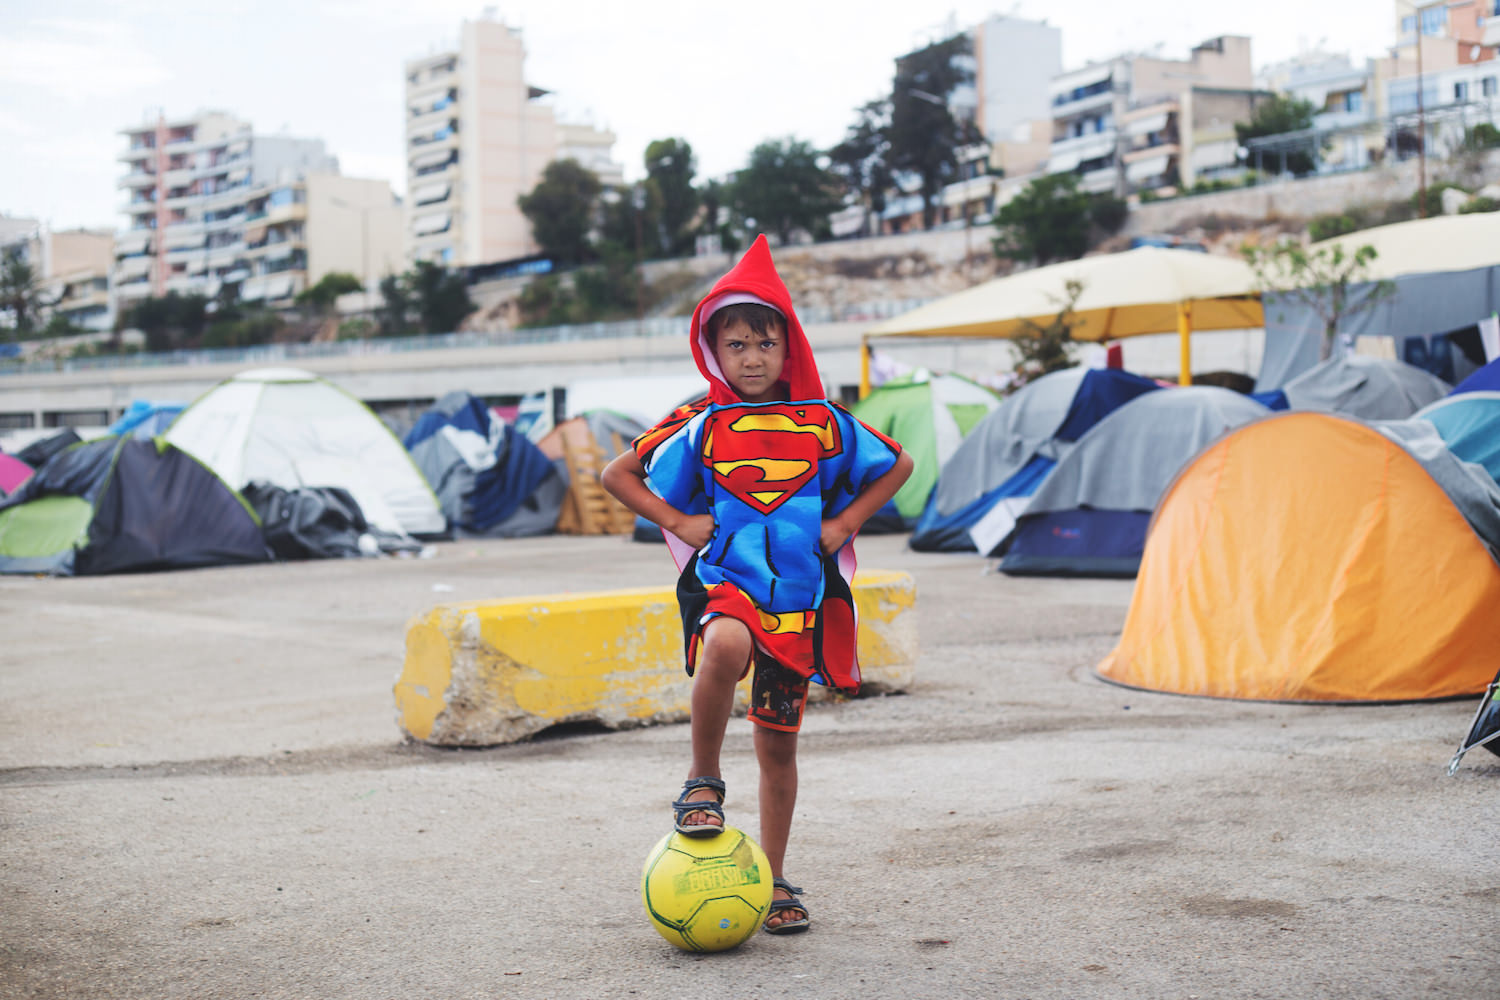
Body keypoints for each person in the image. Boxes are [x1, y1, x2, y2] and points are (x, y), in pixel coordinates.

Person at [601, 235, 914, 935]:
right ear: (715, 351)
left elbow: (899, 464)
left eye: (764, 343)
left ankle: (770, 880)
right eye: (735, 344)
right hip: (728, 588)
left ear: (789, 348)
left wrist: (845, 523)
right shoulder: (700, 426)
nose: (750, 357)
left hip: (797, 609)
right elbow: (615, 474)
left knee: (779, 749)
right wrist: (678, 518)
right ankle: (702, 780)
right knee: (725, 646)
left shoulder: (824, 424)